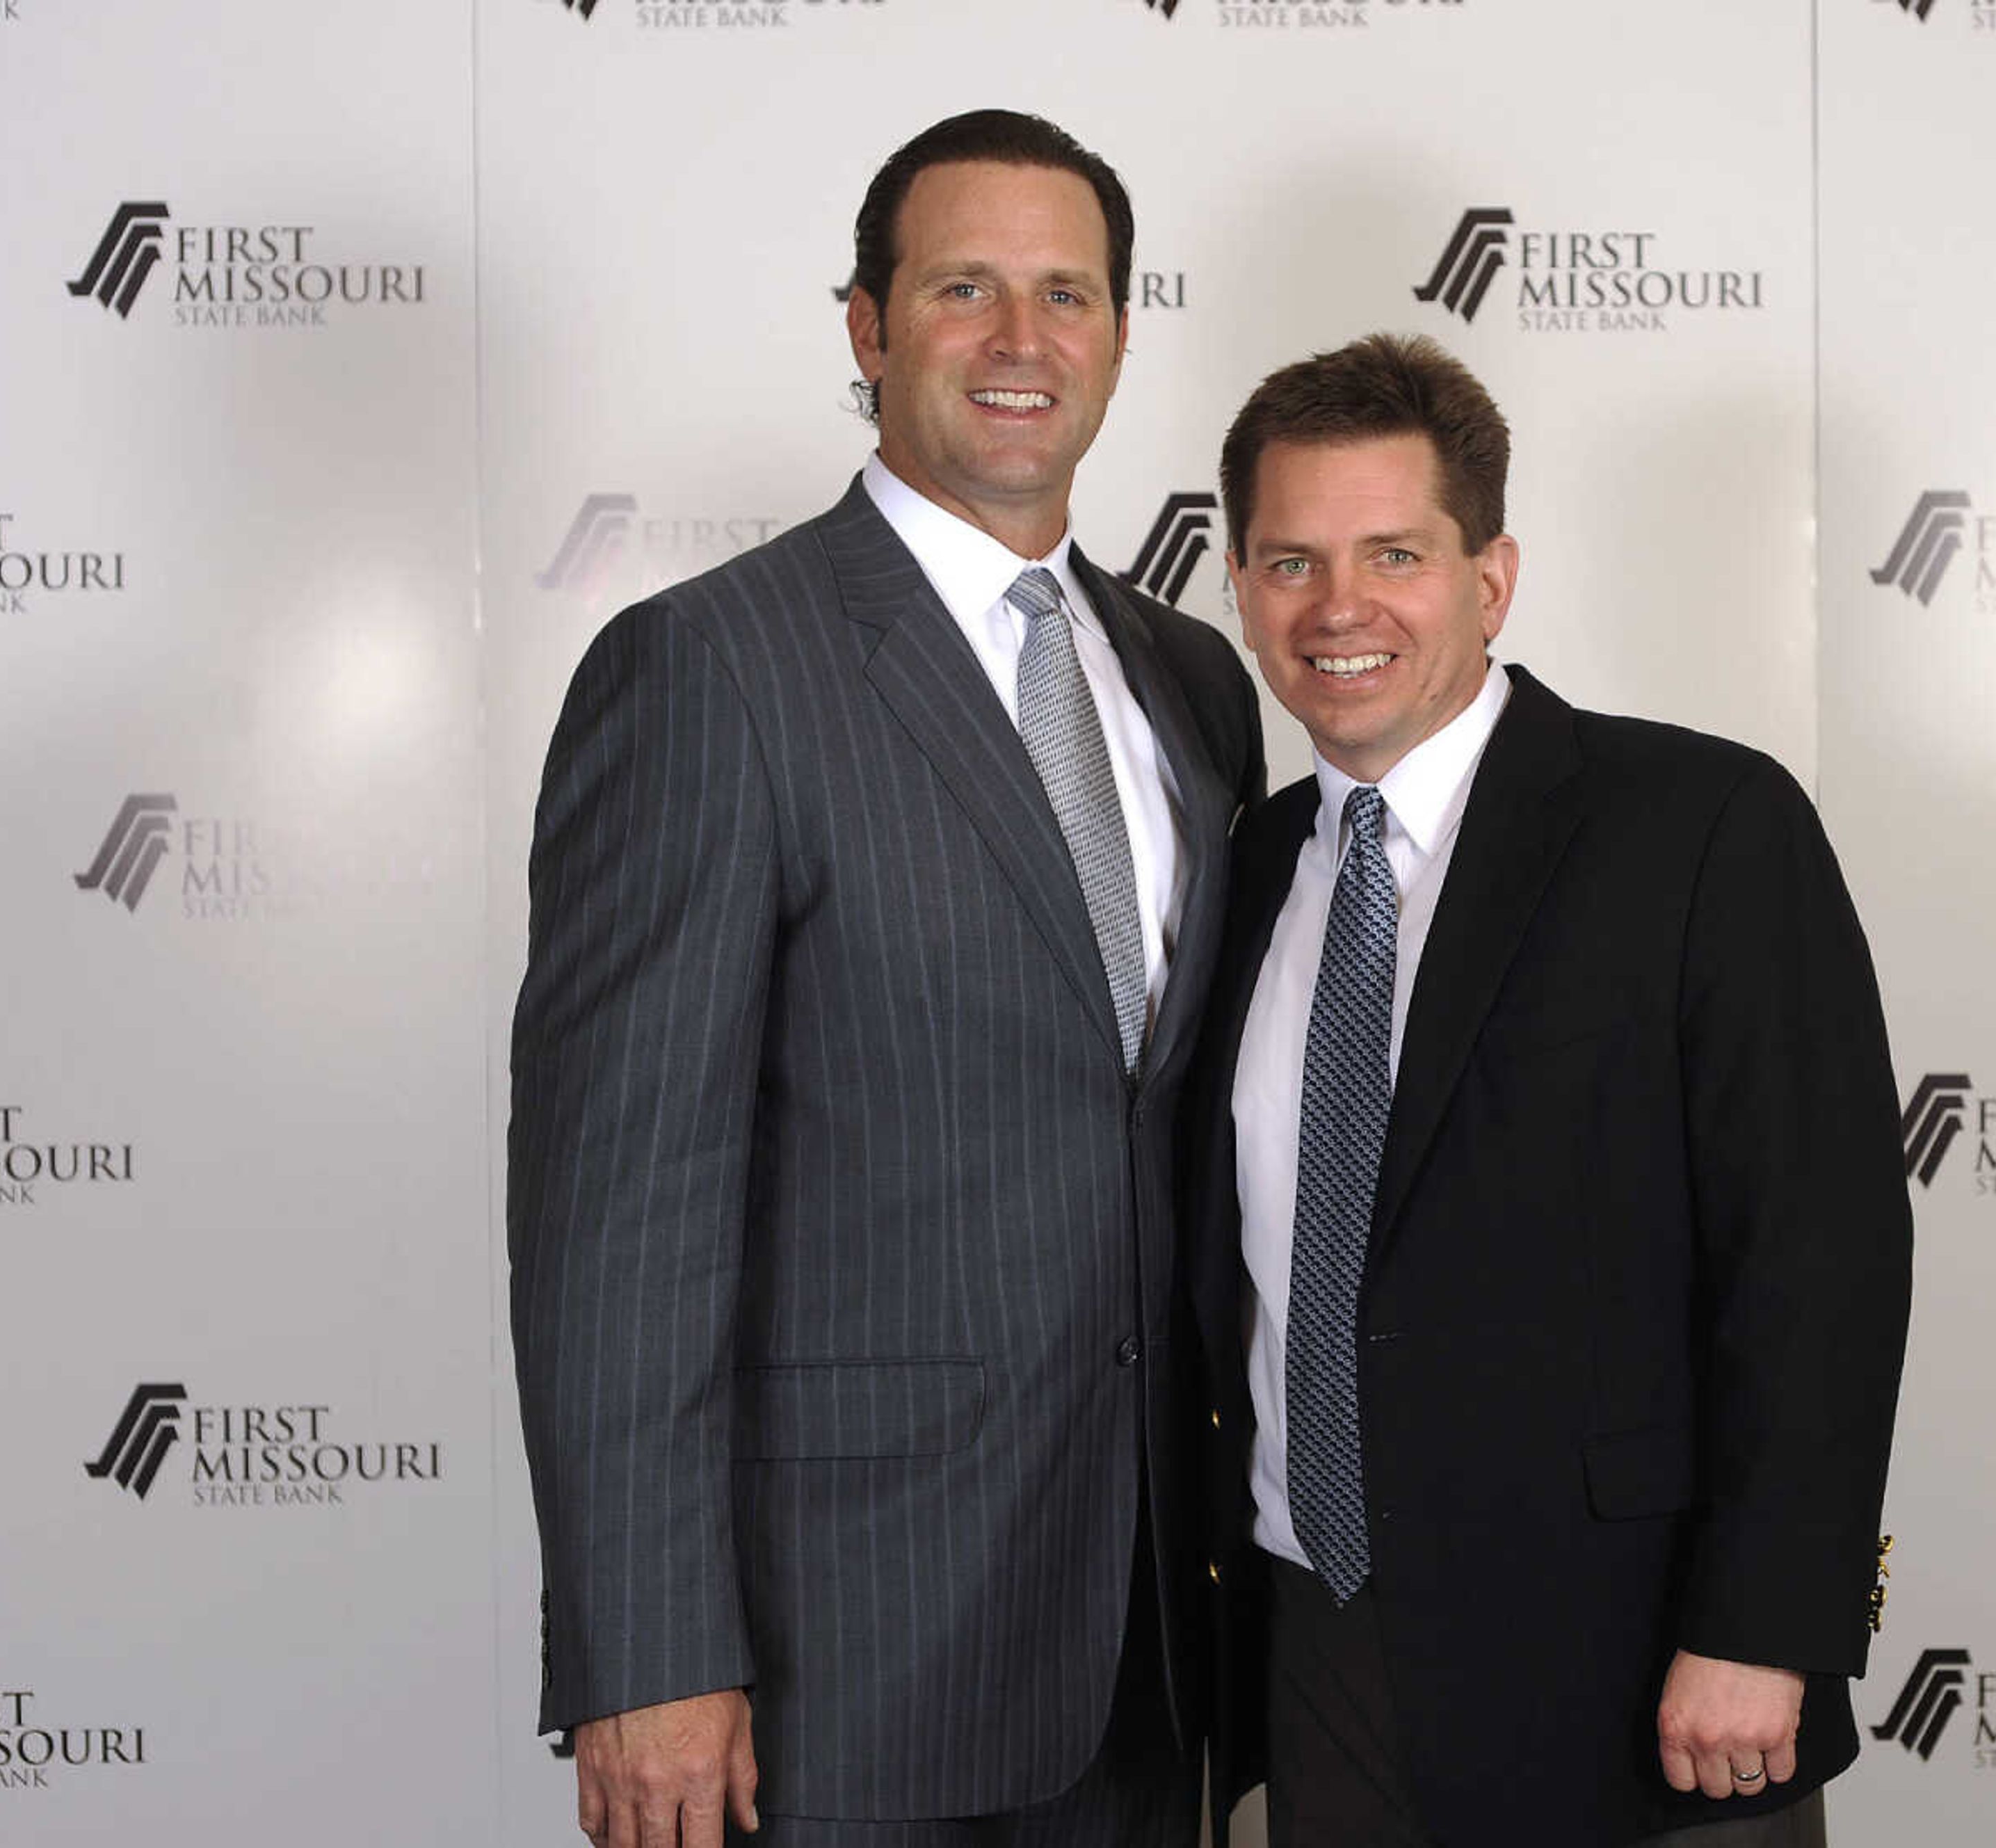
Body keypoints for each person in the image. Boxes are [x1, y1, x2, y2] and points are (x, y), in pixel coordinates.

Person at [508, 109, 1264, 1848]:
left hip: (1150, 1659)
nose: (1023, 343)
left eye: (1067, 294)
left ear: (1124, 337)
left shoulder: (1195, 683)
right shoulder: (709, 671)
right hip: (831, 1665)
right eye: (964, 291)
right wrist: (647, 1657)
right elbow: (616, 1215)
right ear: (867, 328)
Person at [1188, 333, 1910, 1847]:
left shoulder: (1701, 825)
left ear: (1491, 577)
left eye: (1396, 552)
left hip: (1644, 1676)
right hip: (1323, 1655)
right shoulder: (1248, 868)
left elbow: (1819, 1258)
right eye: (1288, 562)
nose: (1340, 610)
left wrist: (1766, 1626)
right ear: (1243, 588)